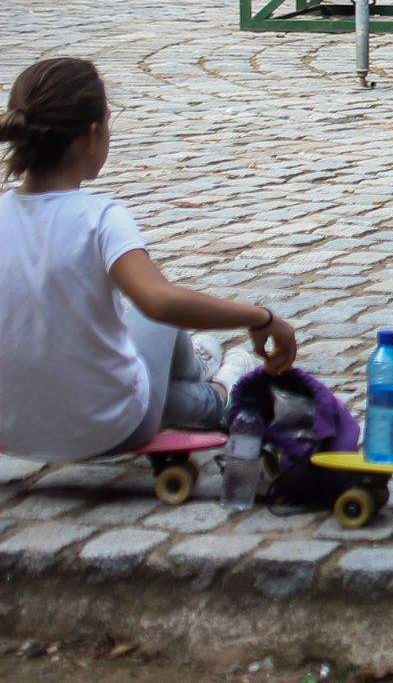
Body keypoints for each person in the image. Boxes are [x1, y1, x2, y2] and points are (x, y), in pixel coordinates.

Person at [0, 58, 296, 462]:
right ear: (92, 135)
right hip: (110, 429)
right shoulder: (100, 217)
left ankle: (197, 362)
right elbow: (160, 302)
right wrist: (260, 317)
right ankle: (221, 388)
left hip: (10, 431)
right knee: (156, 303)